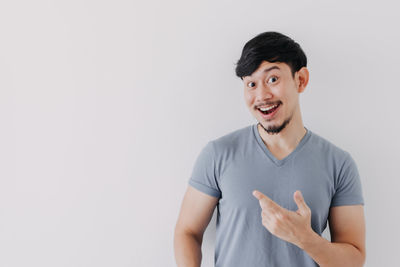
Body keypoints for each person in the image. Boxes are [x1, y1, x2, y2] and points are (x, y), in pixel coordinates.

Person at [173, 31, 366, 267]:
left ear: (301, 80)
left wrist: (305, 239)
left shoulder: (339, 164)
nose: (262, 95)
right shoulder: (218, 154)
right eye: (251, 84)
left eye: (273, 79)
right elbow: (187, 231)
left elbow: (354, 260)